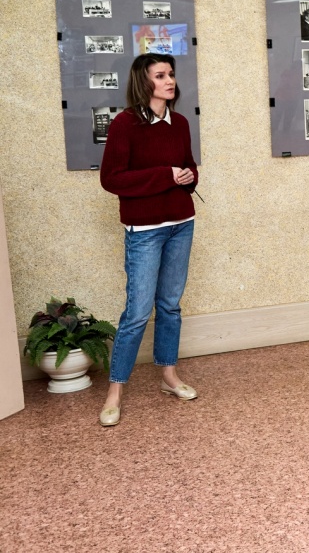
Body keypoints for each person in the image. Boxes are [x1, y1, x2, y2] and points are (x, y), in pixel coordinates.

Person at [97, 53, 199, 427]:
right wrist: (165, 175)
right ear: (144, 82)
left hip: (182, 224)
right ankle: (114, 391)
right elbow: (111, 179)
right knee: (137, 312)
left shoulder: (180, 122)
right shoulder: (125, 124)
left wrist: (188, 176)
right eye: (160, 75)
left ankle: (169, 376)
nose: (170, 81)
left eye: (171, 74)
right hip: (144, 230)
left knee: (170, 305)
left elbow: (189, 166)